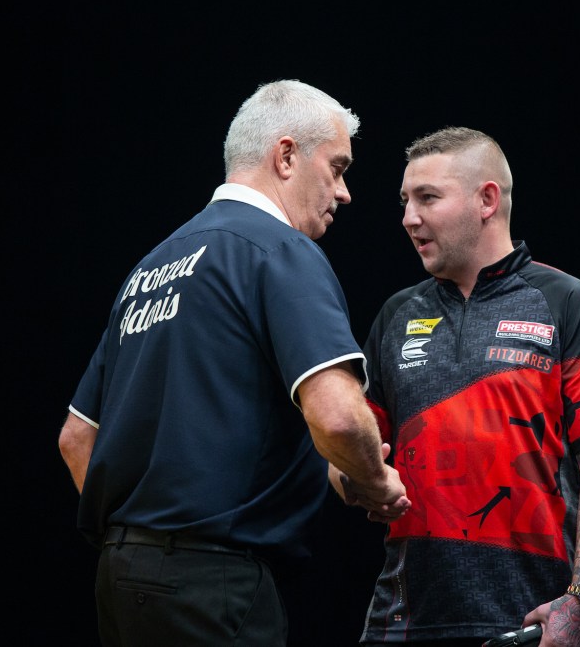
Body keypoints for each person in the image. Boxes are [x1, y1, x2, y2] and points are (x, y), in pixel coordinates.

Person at [58, 79, 410, 647]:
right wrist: (375, 481)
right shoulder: (281, 251)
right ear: (286, 156)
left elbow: (76, 439)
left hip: (121, 581)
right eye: (338, 168)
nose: (344, 192)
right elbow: (339, 418)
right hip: (213, 587)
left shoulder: (150, 270)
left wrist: (145, 544)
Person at [334, 127, 580, 647]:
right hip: (405, 622)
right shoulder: (396, 315)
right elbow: (350, 453)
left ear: (487, 200)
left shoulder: (565, 300)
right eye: (405, 200)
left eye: (427, 198)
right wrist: (357, 479)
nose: (409, 217)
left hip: (537, 624)